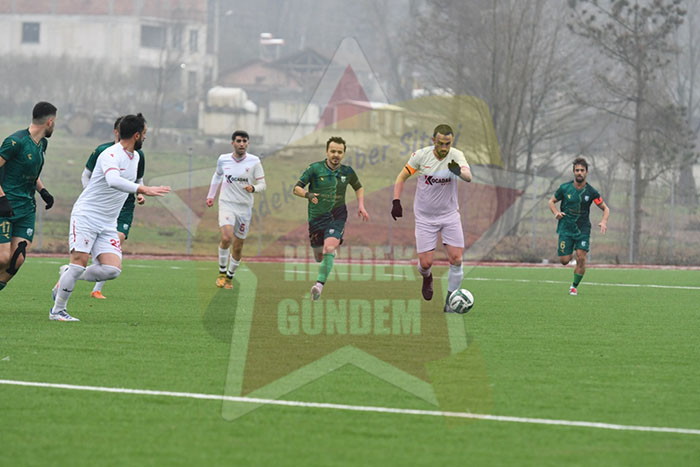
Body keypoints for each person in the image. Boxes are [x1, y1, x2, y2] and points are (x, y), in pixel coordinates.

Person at [50, 114, 170, 321]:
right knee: (78, 264)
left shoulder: (136, 157)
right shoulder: (110, 154)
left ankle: (68, 273)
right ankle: (58, 311)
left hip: (108, 222)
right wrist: (143, 189)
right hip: (87, 215)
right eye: (144, 133)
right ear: (136, 135)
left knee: (112, 269)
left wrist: (139, 191)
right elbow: (113, 180)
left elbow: (133, 181)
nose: (146, 137)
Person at [391, 124, 472, 313]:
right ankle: (427, 277)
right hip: (425, 218)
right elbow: (401, 177)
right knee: (426, 263)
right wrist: (396, 201)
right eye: (440, 143)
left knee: (456, 259)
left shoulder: (456, 155)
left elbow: (468, 177)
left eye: (448, 144)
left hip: (450, 215)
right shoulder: (421, 156)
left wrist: (458, 172)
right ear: (433, 140)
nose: (444, 148)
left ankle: (450, 302)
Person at [293, 136, 369, 301]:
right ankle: (328, 254)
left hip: (337, 215)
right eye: (333, 151)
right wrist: (308, 194)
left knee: (329, 248)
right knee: (319, 256)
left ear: (343, 154)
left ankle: (318, 287)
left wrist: (361, 206)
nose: (336, 155)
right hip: (316, 218)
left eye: (339, 152)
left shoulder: (347, 172)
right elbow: (296, 188)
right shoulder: (314, 169)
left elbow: (359, 187)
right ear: (327, 152)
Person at [82, 116, 146, 299]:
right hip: (101, 207)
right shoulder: (104, 151)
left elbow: (138, 180)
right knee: (88, 252)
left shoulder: (138, 155)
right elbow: (86, 175)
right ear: (116, 131)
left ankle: (97, 288)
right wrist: (93, 196)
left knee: (117, 240)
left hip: (124, 206)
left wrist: (140, 193)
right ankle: (71, 274)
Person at [0, 101, 57, 292]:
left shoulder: (42, 144)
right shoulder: (15, 142)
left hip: (26, 209)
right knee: (2, 258)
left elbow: (31, 171)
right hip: (5, 208)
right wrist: (2, 199)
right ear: (49, 122)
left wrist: (43, 191)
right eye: (55, 122)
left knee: (17, 259)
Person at [206, 130, 266, 289]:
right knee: (226, 237)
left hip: (244, 208)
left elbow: (263, 184)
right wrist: (211, 195)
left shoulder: (254, 161)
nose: (242, 144)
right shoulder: (223, 159)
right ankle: (221, 273)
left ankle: (229, 277)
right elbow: (217, 175)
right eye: (238, 141)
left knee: (238, 247)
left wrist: (253, 188)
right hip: (226, 204)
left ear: (248, 143)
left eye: (244, 141)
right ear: (232, 143)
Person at [548, 157, 610, 296]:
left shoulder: (591, 192)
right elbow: (551, 201)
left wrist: (604, 221)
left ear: (586, 172)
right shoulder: (565, 188)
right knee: (564, 260)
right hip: (566, 228)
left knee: (581, 257)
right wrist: (556, 212)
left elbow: (605, 208)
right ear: (574, 172)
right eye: (577, 170)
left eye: (582, 170)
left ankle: (574, 287)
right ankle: (570, 255)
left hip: (583, 229)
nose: (579, 173)